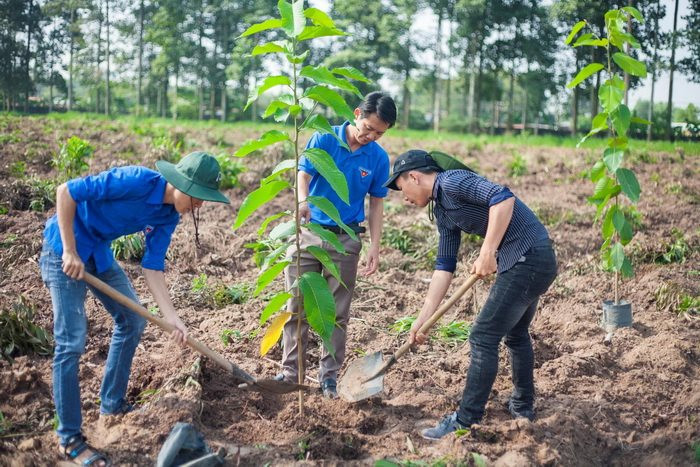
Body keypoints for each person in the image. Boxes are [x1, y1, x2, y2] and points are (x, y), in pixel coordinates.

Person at [40, 151, 230, 466]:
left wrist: (173, 319)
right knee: (71, 342)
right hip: (63, 249)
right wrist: (70, 251)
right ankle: (70, 438)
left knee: (132, 321)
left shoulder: (168, 216)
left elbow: (153, 267)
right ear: (180, 182)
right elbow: (66, 192)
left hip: (98, 254)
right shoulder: (135, 180)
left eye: (205, 199)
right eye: (197, 196)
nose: (200, 204)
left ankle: (112, 404)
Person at [383, 149, 557, 439]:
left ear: (414, 176)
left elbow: (503, 197)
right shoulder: (442, 209)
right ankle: (523, 405)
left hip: (528, 257)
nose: (403, 197)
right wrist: (423, 319)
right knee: (515, 334)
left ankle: (465, 420)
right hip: (529, 258)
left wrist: (487, 252)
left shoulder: (452, 182)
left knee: (482, 336)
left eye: (402, 188)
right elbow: (444, 266)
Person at [276, 91, 397, 398]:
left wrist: (374, 246)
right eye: (368, 127)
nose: (371, 136)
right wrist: (303, 202)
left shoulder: (378, 159)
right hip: (309, 232)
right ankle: (291, 372)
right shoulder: (324, 139)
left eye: (379, 133)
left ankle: (329, 376)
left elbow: (377, 204)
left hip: (345, 240)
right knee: (296, 305)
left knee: (337, 313)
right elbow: (303, 175)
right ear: (356, 113)